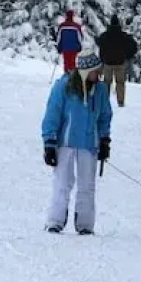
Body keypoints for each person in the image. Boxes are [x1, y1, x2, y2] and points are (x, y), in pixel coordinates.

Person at [42, 52, 113, 234]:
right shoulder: (63, 87)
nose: (99, 75)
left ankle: (85, 224)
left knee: (87, 185)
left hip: (89, 144)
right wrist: (49, 143)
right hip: (65, 143)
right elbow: (52, 115)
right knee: (62, 182)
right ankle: (55, 221)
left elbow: (104, 117)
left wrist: (104, 140)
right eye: (96, 71)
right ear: (85, 71)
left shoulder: (100, 90)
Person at [96, 14, 138, 106]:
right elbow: (134, 45)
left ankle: (105, 101)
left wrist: (102, 58)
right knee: (120, 83)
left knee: (106, 83)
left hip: (108, 63)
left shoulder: (105, 35)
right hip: (120, 62)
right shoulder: (123, 36)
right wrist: (128, 55)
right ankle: (121, 101)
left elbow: (99, 42)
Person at [55, 8, 85, 73]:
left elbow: (59, 38)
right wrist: (80, 46)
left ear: (66, 16)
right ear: (73, 16)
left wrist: (59, 46)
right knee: (72, 62)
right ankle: (72, 76)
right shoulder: (77, 26)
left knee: (66, 62)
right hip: (74, 48)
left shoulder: (62, 26)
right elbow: (80, 37)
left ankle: (66, 75)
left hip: (65, 47)